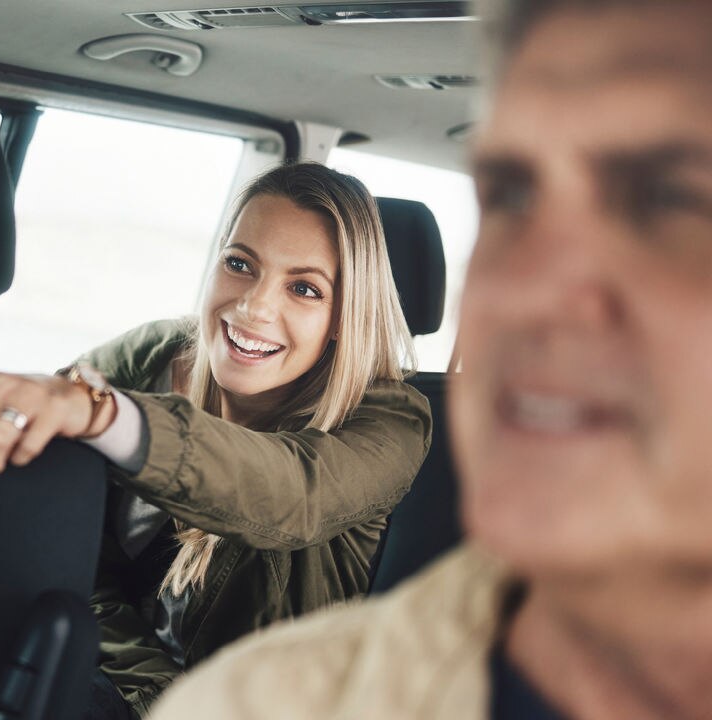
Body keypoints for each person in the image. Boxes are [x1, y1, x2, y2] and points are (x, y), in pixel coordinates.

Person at [146, 1, 712, 719]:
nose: (520, 289)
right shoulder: (251, 700)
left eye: (669, 201)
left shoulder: (391, 418)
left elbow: (290, 492)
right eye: (511, 197)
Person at [0, 161, 433, 718]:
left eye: (303, 288)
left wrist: (106, 417)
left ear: (344, 314)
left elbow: (292, 493)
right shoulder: (156, 355)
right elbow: (60, 532)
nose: (254, 306)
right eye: (240, 264)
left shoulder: (389, 417)